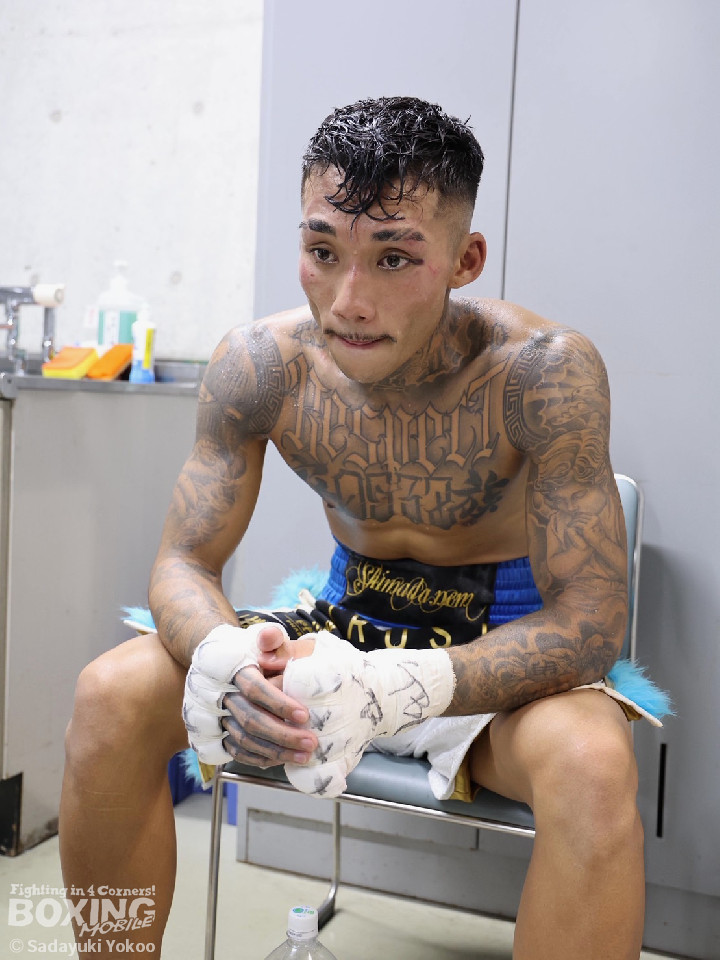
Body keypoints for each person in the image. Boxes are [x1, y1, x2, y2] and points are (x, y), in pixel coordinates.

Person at [60, 96, 663, 959]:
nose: (349, 300)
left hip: (498, 647)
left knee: (594, 765)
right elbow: (183, 562)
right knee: (110, 694)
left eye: (394, 258)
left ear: (465, 260)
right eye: (323, 252)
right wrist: (227, 656)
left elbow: (591, 623)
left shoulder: (543, 373)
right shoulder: (261, 365)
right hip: (342, 622)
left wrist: (397, 689)